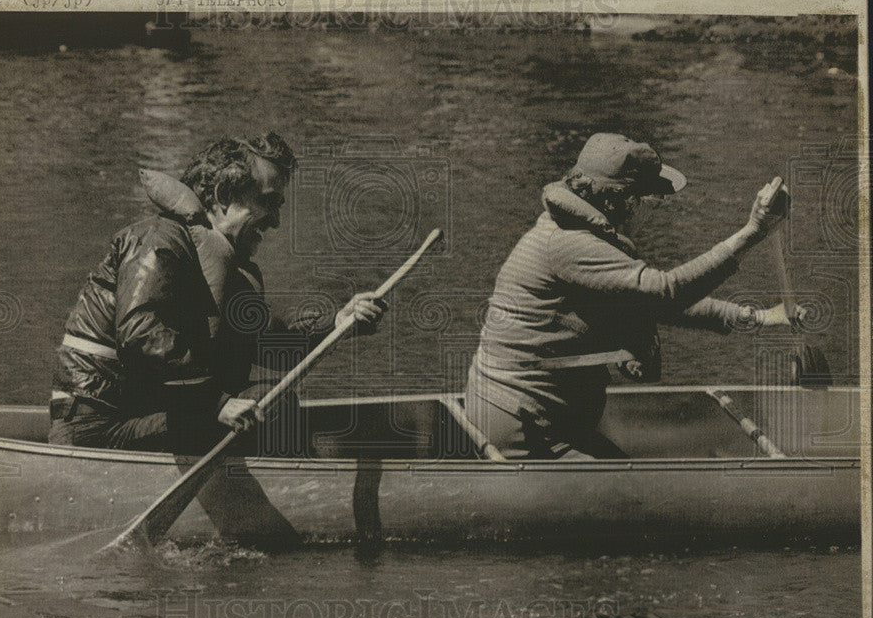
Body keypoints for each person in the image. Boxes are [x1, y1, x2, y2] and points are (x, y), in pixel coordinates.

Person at [464, 132, 800, 460]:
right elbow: (665, 294)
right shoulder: (571, 244)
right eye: (647, 200)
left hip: (538, 418)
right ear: (620, 200)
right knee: (642, 504)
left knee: (634, 487)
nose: (647, 211)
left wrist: (753, 317)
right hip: (525, 426)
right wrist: (752, 231)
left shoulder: (572, 228)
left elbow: (647, 304)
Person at [49, 132, 385, 456]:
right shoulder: (159, 241)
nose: (277, 222)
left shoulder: (219, 263)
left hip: (149, 414)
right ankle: (304, 493)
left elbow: (266, 342)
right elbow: (140, 334)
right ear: (223, 195)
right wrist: (217, 404)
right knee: (273, 405)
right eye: (268, 202)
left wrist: (338, 324)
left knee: (267, 399)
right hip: (98, 429)